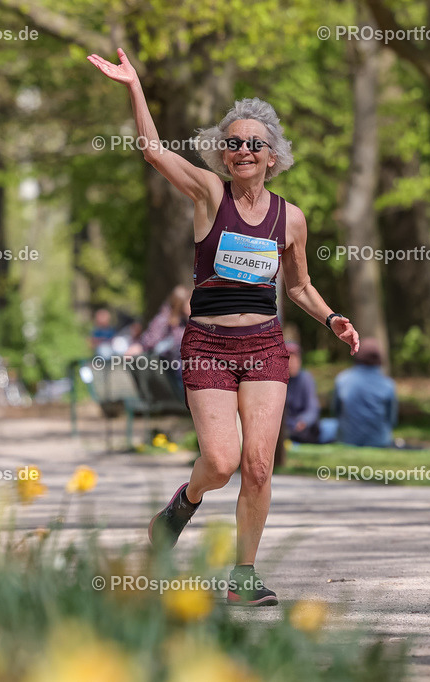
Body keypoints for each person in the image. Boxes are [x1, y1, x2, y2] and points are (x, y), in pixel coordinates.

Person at [91, 49, 359, 606]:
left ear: (272, 156)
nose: (240, 150)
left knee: (259, 464)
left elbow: (298, 286)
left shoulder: (291, 218)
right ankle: (180, 507)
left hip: (263, 344)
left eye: (252, 143)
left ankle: (244, 576)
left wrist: (332, 317)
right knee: (220, 460)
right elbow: (152, 150)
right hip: (209, 342)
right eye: (232, 142)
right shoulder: (210, 194)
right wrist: (135, 86)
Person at [329, 338, 397, 448]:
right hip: (379, 441)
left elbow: (335, 411)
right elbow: (392, 419)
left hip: (347, 439)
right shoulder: (388, 384)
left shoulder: (342, 379)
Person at [283, 342, 329, 444]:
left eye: (295, 359)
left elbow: (312, 408)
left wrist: (304, 421)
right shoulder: (279, 381)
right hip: (286, 426)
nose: (293, 363)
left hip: (302, 426)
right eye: (289, 359)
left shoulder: (306, 378)